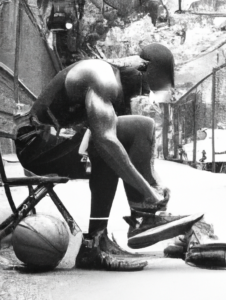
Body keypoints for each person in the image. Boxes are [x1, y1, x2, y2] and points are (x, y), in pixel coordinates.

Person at [15, 43, 175, 271]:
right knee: (106, 145)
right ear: (142, 69)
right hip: (38, 147)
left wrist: (156, 183)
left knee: (142, 126)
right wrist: (149, 191)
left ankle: (142, 216)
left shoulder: (116, 82)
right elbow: (107, 141)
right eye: (146, 86)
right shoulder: (103, 78)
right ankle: (93, 245)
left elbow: (126, 138)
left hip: (57, 142)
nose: (142, 93)